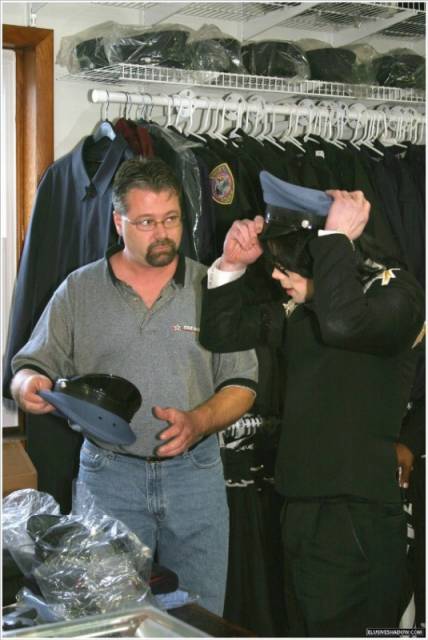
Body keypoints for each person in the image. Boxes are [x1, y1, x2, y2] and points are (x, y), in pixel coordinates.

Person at [10, 157, 258, 616]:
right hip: (110, 477)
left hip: (195, 476)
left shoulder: (213, 286)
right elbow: (28, 365)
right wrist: (29, 385)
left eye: (171, 219)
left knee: (200, 618)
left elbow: (242, 384)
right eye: (146, 222)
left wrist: (198, 421)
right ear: (118, 222)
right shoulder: (79, 291)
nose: (161, 233)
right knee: (109, 616)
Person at [199, 171, 425, 636]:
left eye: (286, 263)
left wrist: (336, 239)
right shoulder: (308, 311)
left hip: (354, 517)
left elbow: (347, 324)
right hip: (302, 510)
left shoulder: (398, 295)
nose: (275, 274)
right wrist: (231, 264)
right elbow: (222, 332)